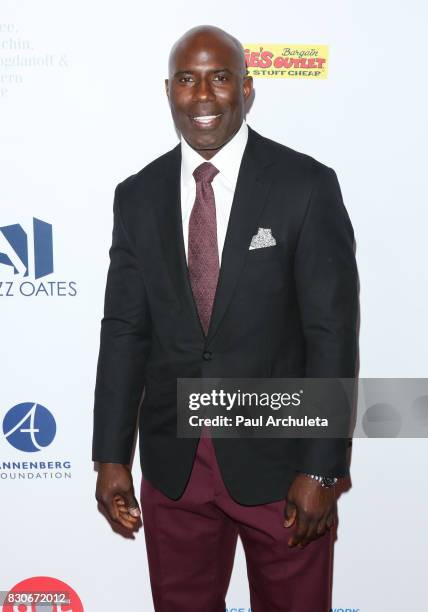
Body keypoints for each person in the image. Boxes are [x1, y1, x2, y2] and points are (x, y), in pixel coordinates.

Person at [92, 24, 358, 612]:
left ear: (247, 88)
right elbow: (125, 331)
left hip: (281, 465)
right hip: (174, 467)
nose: (204, 95)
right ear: (168, 90)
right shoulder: (136, 196)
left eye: (220, 77)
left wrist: (320, 468)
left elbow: (332, 334)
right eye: (187, 79)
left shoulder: (306, 186)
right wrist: (111, 455)